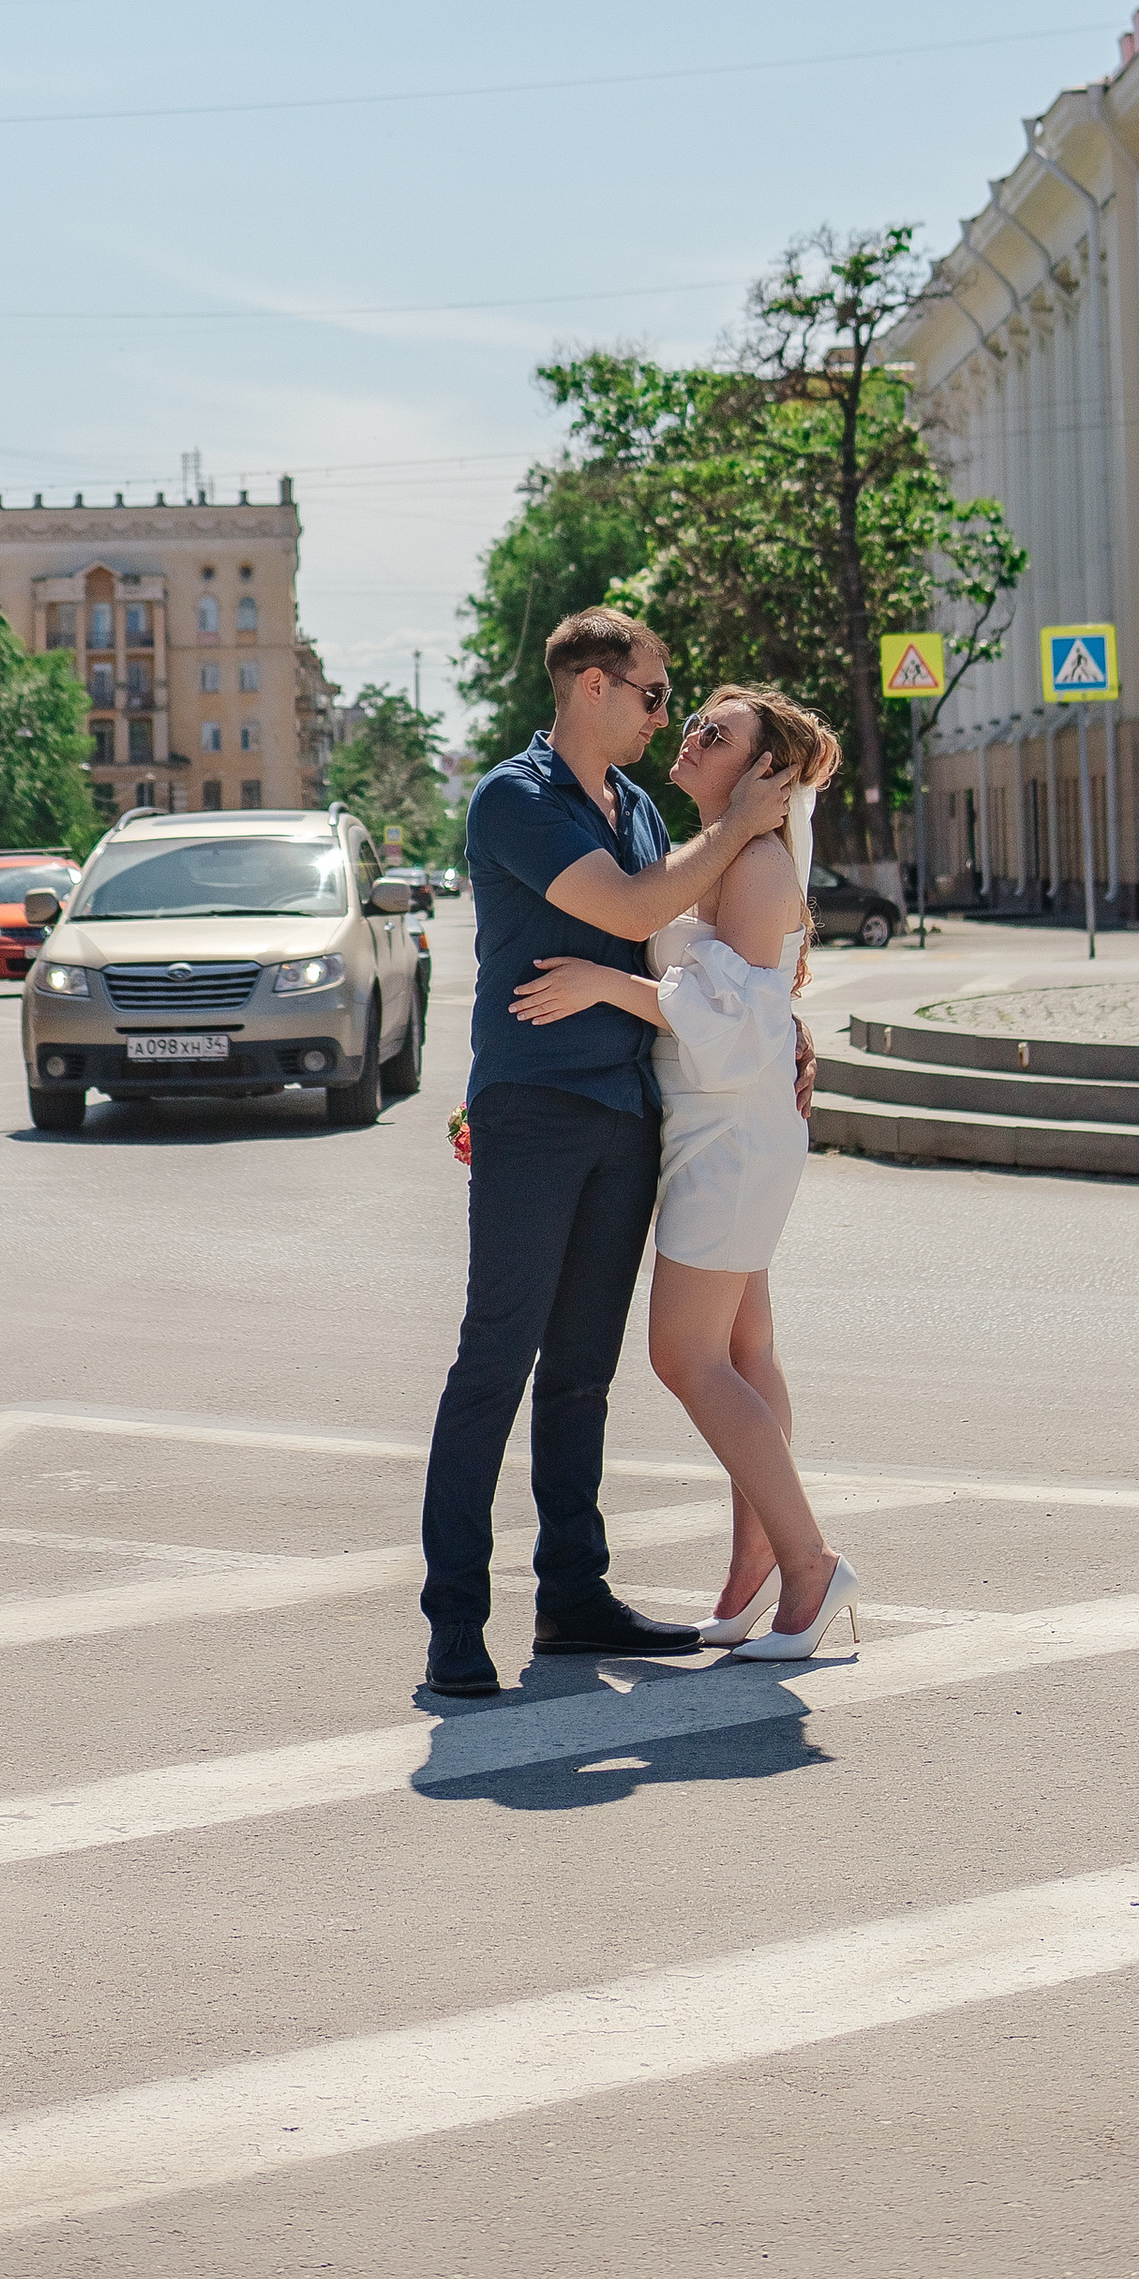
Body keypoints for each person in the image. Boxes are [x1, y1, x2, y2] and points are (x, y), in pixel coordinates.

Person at [417, 610, 808, 1701]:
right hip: (536, 1108)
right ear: (592, 687)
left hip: (629, 1109)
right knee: (496, 1358)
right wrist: (737, 822)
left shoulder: (633, 805)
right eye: (650, 693)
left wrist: (785, 1024)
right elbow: (639, 904)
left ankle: (571, 1596)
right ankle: (455, 1619)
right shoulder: (516, 799)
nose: (662, 711)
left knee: (581, 1375)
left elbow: (700, 947)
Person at [513, 683, 858, 1662]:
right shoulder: (694, 853)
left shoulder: (753, 868)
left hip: (734, 1134)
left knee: (685, 1357)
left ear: (762, 775)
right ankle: (754, 1573)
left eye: (720, 733)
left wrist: (604, 985)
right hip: (702, 1124)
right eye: (697, 721)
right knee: (744, 1355)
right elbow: (748, 1001)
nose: (694, 735)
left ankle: (808, 1564)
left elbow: (741, 1023)